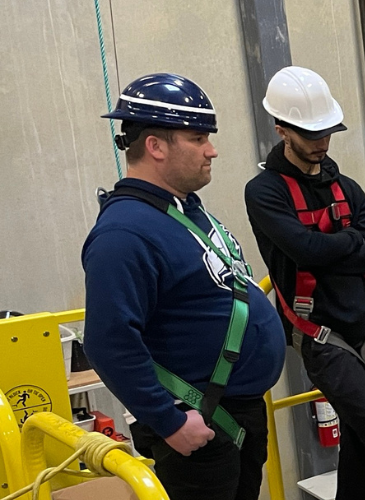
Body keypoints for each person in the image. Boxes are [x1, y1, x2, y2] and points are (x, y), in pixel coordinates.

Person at [83, 73, 285, 500]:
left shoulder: (182, 210)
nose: (212, 149)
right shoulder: (125, 234)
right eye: (198, 138)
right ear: (155, 146)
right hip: (197, 425)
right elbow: (109, 340)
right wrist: (168, 421)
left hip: (233, 414)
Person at [243, 66, 365, 500]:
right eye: (311, 134)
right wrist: (348, 241)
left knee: (361, 436)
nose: (322, 142)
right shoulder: (265, 192)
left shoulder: (345, 186)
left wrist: (329, 246)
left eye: (327, 131)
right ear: (282, 129)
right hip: (320, 335)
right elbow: (305, 251)